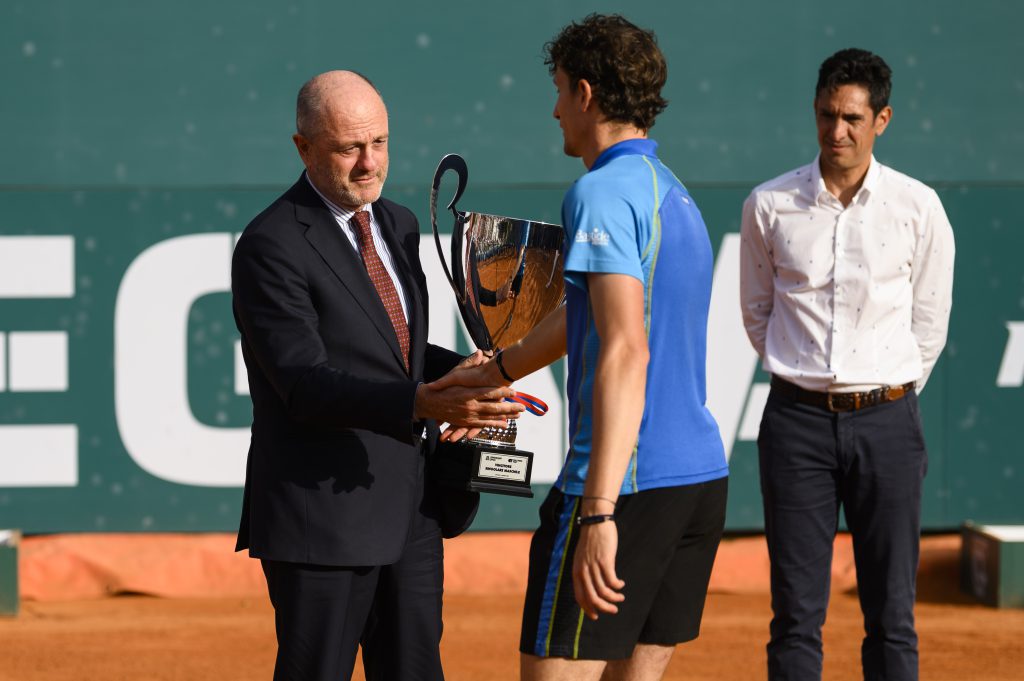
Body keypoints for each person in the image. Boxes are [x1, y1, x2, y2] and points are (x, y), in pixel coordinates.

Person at [438, 14, 729, 681]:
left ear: (589, 95)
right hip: (696, 483)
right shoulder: (672, 195)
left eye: (562, 90)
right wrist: (501, 368)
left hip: (622, 487)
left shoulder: (598, 193)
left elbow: (626, 349)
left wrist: (597, 511)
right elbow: (587, 316)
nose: (555, 108)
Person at [231, 70, 523, 681]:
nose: (369, 163)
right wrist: (426, 401)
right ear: (303, 148)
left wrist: (471, 372)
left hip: (411, 512)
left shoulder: (397, 221)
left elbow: (395, 351)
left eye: (380, 143)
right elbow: (305, 384)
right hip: (322, 519)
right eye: (348, 148)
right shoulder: (270, 245)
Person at [739, 48, 955, 681]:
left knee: (892, 614)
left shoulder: (919, 208)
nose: (838, 131)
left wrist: (885, 391)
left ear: (881, 119)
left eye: (854, 118)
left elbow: (929, 325)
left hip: (889, 421)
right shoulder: (769, 204)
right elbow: (757, 313)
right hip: (795, 424)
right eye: (827, 115)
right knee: (795, 616)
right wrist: (805, 376)